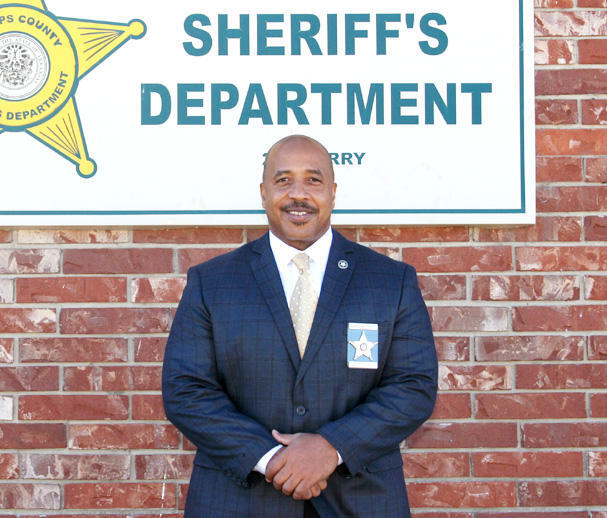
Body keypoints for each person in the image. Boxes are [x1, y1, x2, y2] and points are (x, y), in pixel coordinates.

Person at [162, 134, 438, 518]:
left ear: (333, 192)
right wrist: (270, 458)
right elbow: (186, 390)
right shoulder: (213, 282)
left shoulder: (390, 281)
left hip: (361, 499)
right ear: (263, 193)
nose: (298, 194)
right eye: (283, 180)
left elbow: (414, 385)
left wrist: (331, 447)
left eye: (313, 179)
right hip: (239, 501)